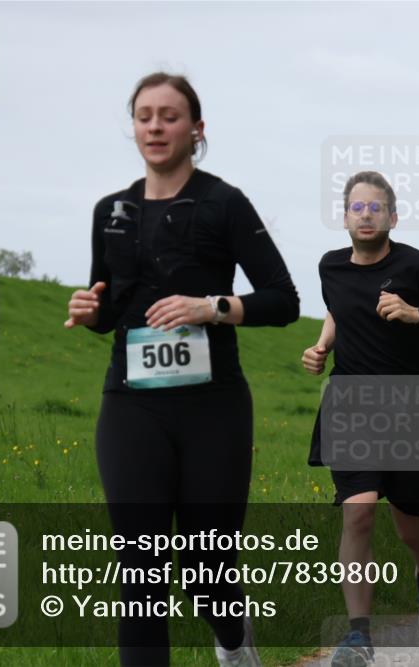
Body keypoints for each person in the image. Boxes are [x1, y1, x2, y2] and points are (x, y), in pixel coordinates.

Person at [65, 72, 299, 667]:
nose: (155, 126)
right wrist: (91, 312)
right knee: (140, 570)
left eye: (169, 116)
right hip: (131, 402)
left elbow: (283, 299)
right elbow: (111, 304)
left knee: (206, 567)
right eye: (144, 115)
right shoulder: (110, 211)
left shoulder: (225, 203)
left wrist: (213, 307)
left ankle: (233, 641)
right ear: (134, 127)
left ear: (196, 130)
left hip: (211, 407)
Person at [301, 171, 419, 666]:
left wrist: (417, 314)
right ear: (344, 216)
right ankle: (358, 635)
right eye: (356, 208)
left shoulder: (416, 266)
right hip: (350, 405)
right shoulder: (330, 267)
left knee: (409, 525)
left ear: (392, 217)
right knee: (358, 511)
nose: (365, 215)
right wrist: (321, 346)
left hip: (406, 407)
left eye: (375, 207)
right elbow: (338, 310)